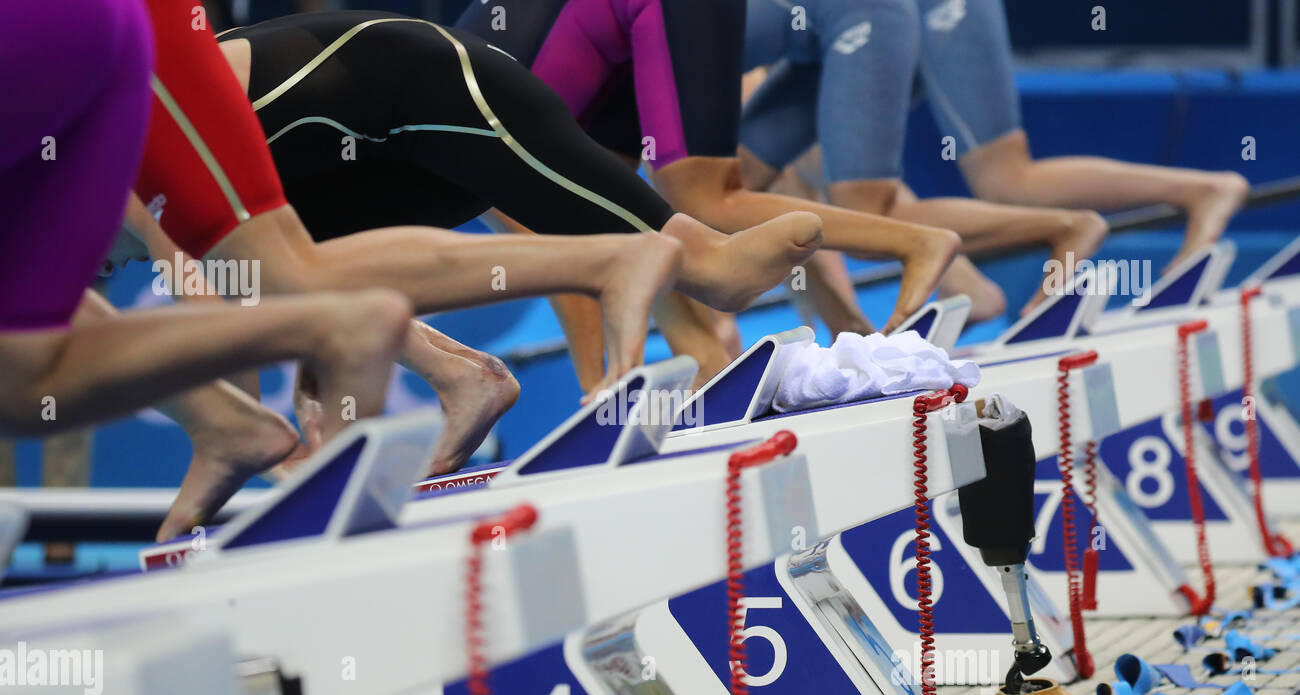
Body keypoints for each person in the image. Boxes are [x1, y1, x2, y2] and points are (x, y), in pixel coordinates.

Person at [211, 11, 826, 392]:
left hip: (432, 84)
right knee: (283, 266)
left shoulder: (142, 160)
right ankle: (464, 380)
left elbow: (211, 297)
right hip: (400, 125)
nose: (111, 269)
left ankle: (663, 270)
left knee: (707, 250)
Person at [0, 1, 414, 542]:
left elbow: (174, 250)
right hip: (111, 33)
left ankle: (318, 335)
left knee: (33, 365)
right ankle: (240, 408)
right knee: (27, 361)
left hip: (70, 35)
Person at [456, 0, 963, 340]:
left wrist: (597, 385)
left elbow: (559, 246)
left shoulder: (458, 146)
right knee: (628, 219)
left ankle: (914, 243)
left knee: (701, 199)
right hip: (616, 36)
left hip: (631, 23)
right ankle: (700, 357)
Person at [740, 0, 1249, 314]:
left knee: (998, 179)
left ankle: (1185, 194)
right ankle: (968, 288)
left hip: (898, 16)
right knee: (730, 184)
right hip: (835, 34)